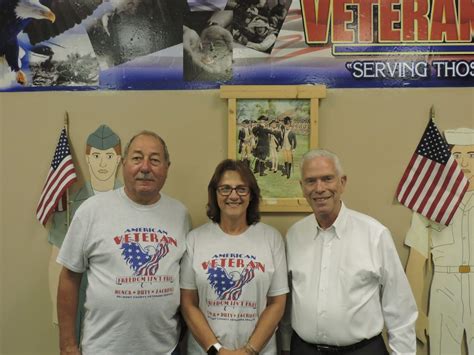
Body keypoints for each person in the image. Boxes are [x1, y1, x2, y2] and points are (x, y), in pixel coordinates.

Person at [56, 131, 191, 355]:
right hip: (103, 349)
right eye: (137, 158)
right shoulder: (92, 210)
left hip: (166, 349)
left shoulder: (180, 214)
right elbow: (69, 277)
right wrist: (68, 345)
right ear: (123, 163)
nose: (145, 167)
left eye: (155, 160)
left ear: (167, 167)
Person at [283, 149, 418, 355]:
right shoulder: (294, 236)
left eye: (327, 179)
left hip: (362, 350)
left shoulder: (374, 234)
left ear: (342, 182)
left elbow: (400, 308)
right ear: (302, 187)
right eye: (311, 181)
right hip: (304, 349)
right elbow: (286, 303)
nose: (319, 188)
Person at [180, 159, 288, 354]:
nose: (233, 195)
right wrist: (217, 350)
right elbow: (188, 304)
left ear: (251, 195)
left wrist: (249, 350)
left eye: (241, 189)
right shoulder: (195, 239)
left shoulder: (271, 238)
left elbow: (277, 304)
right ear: (215, 194)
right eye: (225, 189)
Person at [48, 125, 122, 338]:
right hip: (80, 291)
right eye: (96, 156)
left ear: (118, 160)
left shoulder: (128, 201)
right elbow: (57, 258)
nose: (102, 163)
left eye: (109, 156)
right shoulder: (72, 204)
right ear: (87, 158)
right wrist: (57, 311)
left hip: (120, 298)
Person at [405, 127, 474, 354]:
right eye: (456, 156)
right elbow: (417, 260)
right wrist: (416, 313)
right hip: (445, 288)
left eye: (471, 155)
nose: (464, 164)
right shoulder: (430, 203)